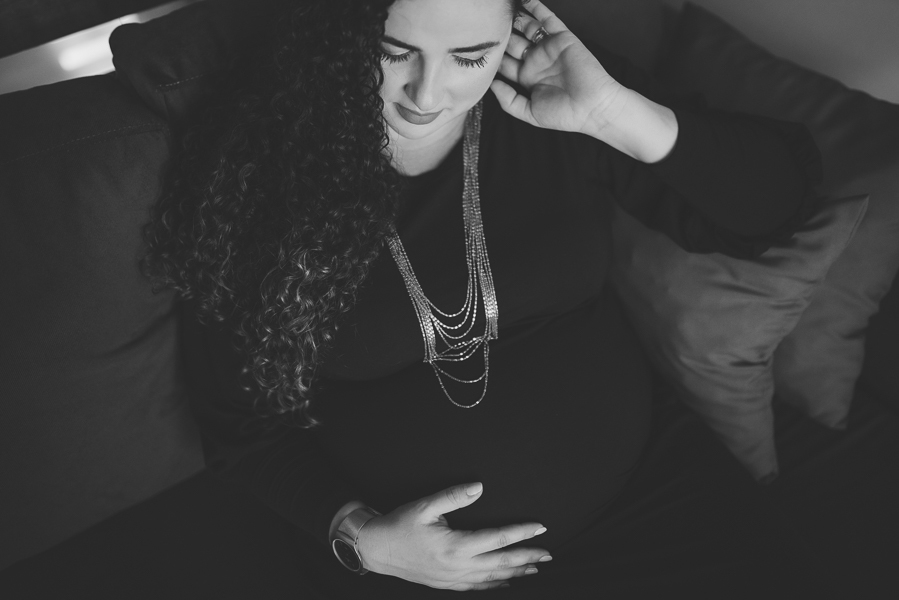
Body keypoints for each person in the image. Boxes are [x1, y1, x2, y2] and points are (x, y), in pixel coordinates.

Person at [143, 0, 838, 596]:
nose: (427, 93)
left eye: (469, 57)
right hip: (430, 572)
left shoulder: (552, 102)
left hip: (653, 498)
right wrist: (360, 538)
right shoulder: (257, 172)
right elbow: (237, 424)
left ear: (510, 32)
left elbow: (772, 208)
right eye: (393, 51)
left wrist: (608, 112)